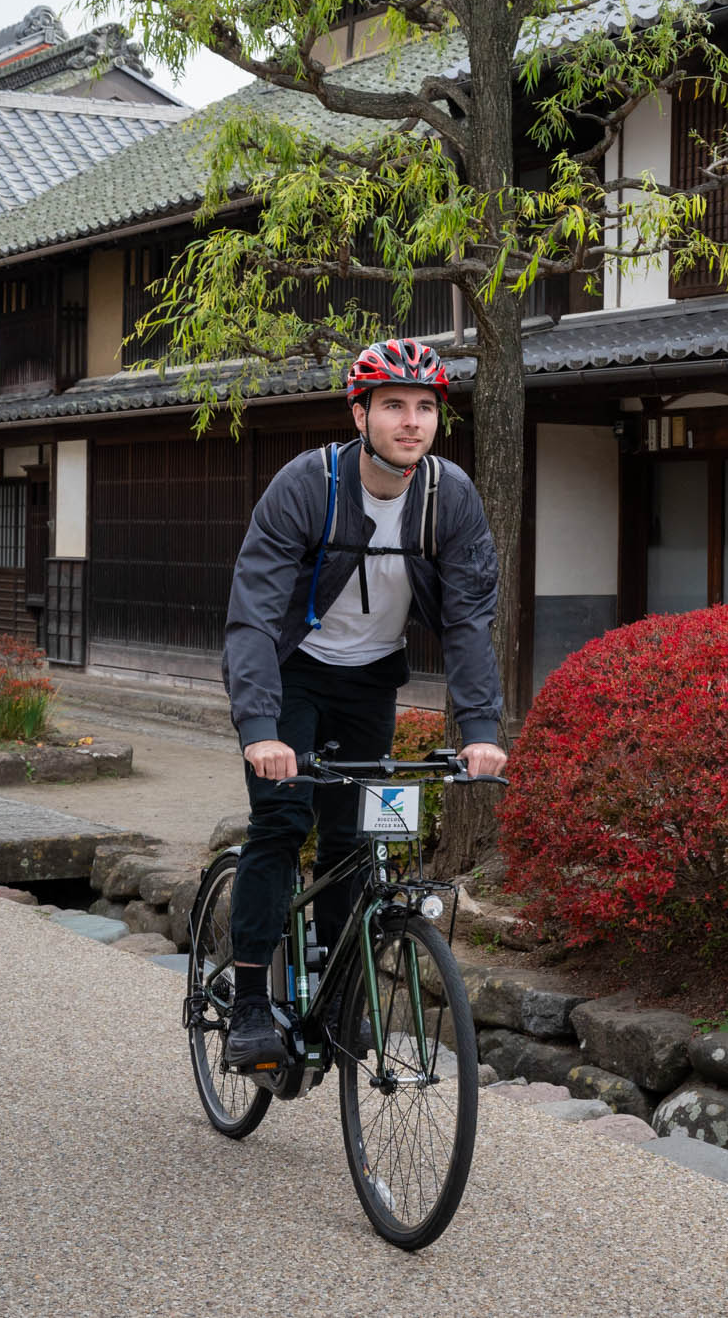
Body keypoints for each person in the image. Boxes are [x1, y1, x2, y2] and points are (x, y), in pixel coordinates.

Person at [219, 338, 507, 1071]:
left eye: (424, 407)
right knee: (282, 821)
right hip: (293, 675)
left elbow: (471, 618)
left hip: (372, 679)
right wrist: (258, 727)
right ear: (360, 413)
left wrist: (479, 729)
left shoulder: (449, 496)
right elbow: (252, 615)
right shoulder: (306, 485)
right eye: (393, 406)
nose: (411, 421)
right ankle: (250, 1004)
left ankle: (344, 1002)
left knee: (353, 847)